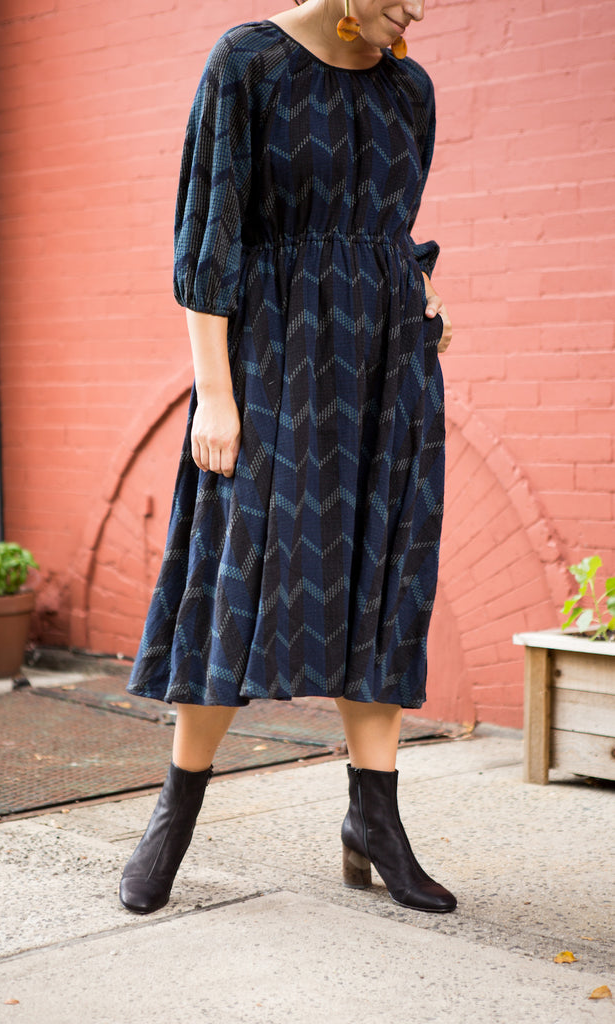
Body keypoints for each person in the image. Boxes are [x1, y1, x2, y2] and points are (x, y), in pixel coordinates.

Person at [120, 0, 456, 917]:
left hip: (388, 367)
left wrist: (423, 308)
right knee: (238, 575)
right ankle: (176, 810)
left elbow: (393, 230)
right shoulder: (247, 63)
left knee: (380, 579)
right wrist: (216, 396)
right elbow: (207, 240)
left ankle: (373, 817)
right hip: (270, 363)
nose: (413, 10)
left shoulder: (408, 88)